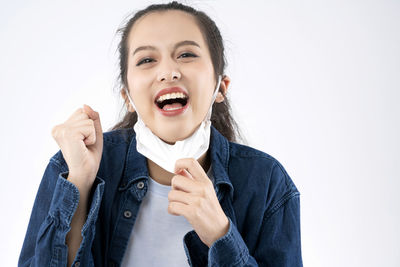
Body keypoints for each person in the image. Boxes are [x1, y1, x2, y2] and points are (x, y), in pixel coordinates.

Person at [18, 2, 303, 266]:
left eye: (187, 54)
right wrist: (79, 184)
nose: (168, 71)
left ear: (221, 87)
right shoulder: (70, 165)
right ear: (127, 96)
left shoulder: (267, 182)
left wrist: (221, 234)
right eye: (146, 60)